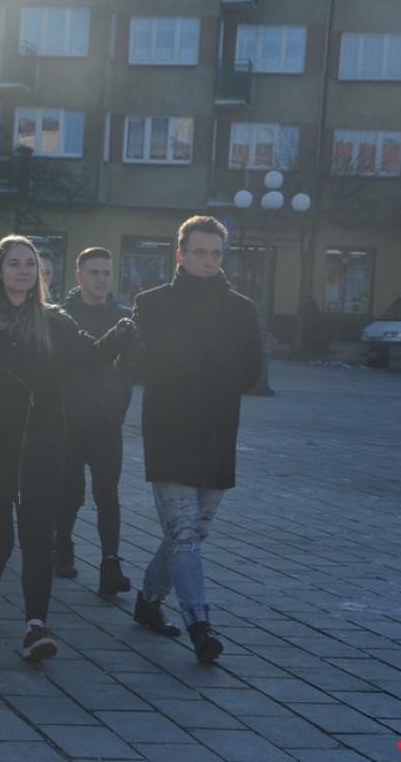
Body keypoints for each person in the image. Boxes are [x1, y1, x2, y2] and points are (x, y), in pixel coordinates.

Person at [0, 235, 136, 662]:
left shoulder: (53, 321)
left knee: (39, 540)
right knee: (0, 542)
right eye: (15, 263)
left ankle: (35, 627)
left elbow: (93, 357)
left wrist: (122, 331)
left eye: (31, 265)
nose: (24, 271)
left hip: (42, 448)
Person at [130, 215, 261, 664]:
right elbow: (137, 364)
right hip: (168, 430)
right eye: (199, 252)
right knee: (183, 530)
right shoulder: (151, 304)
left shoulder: (242, 308)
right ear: (180, 255)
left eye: (216, 253)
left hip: (218, 430)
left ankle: (148, 600)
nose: (208, 261)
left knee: (194, 531)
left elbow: (251, 372)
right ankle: (199, 625)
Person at [54, 247, 134, 595]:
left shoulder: (126, 317)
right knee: (70, 493)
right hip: (69, 423)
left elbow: (137, 365)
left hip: (107, 422)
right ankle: (63, 547)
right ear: (79, 276)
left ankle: (110, 564)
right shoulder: (63, 316)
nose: (102, 279)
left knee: (108, 494)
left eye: (107, 273)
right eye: (95, 272)